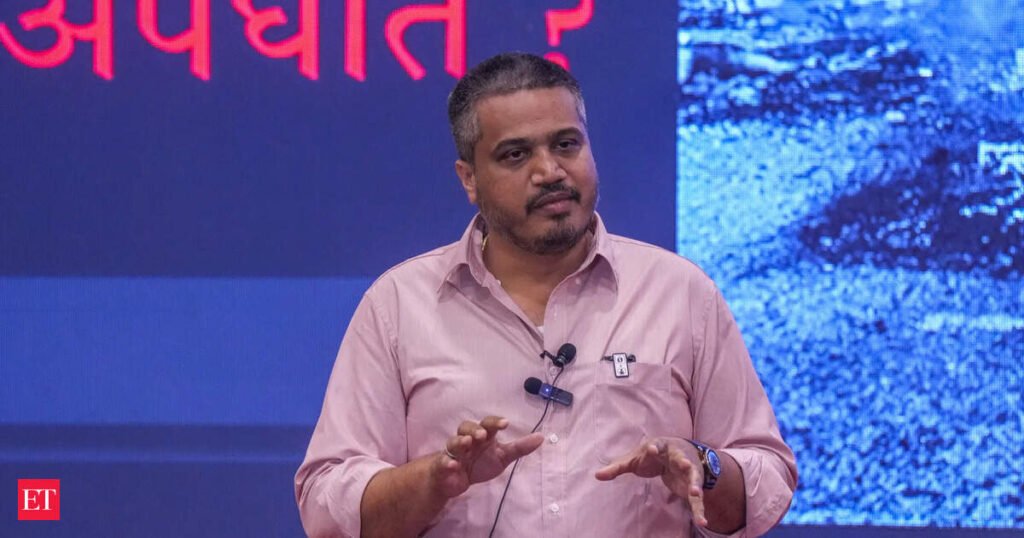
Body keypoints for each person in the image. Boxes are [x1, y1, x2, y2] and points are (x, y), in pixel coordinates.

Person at [295, 52, 797, 537]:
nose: (550, 171)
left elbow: (767, 479)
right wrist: (432, 482)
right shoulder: (400, 305)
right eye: (516, 154)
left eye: (566, 145)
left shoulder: (679, 292)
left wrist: (704, 466)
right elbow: (326, 504)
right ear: (469, 179)